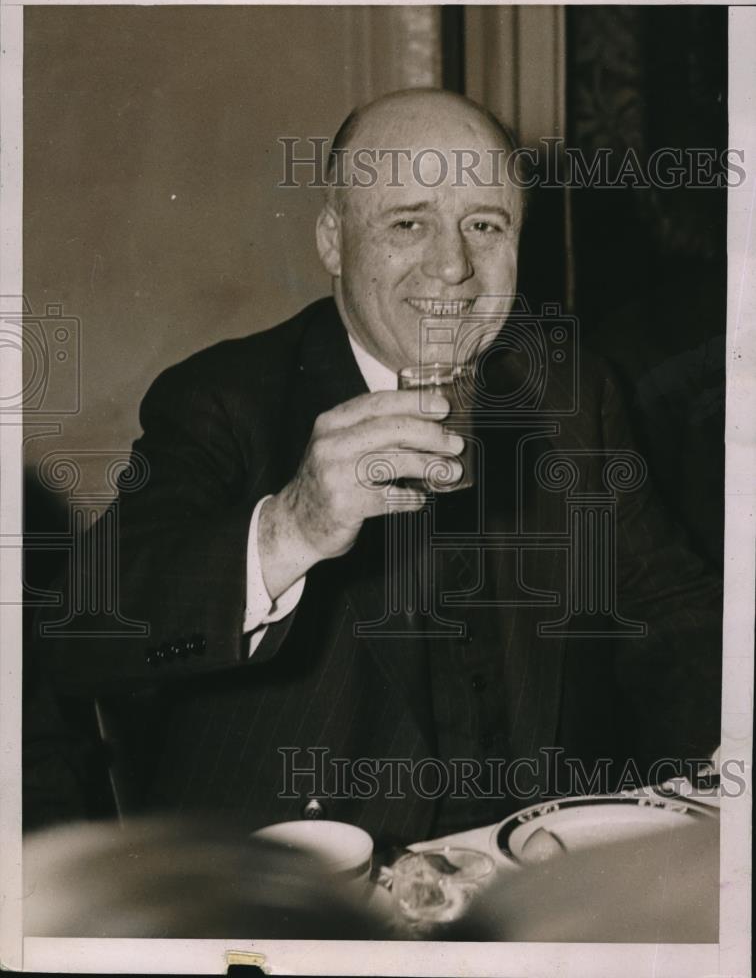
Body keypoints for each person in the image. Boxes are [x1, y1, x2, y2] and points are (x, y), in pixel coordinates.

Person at [34, 89, 722, 849]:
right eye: (409, 222)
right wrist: (289, 527)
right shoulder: (225, 399)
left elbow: (674, 614)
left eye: (485, 225)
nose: (454, 266)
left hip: (528, 873)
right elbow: (84, 637)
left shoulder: (571, 392)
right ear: (333, 239)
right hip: (299, 905)